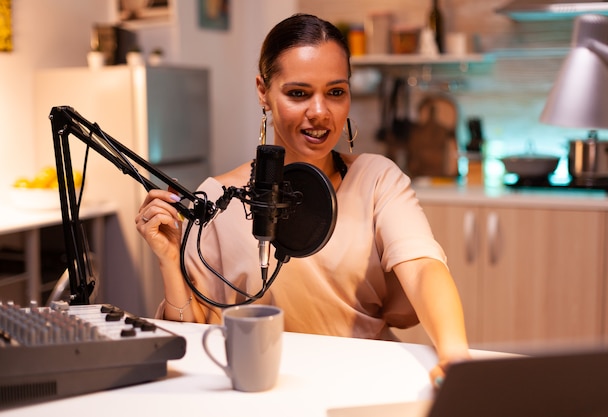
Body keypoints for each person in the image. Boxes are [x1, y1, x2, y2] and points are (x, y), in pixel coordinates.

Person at [136, 13, 469, 386]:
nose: (320, 112)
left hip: (364, 386)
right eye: (298, 93)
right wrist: (169, 260)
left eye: (335, 92)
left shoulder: (377, 179)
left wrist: (456, 354)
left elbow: (423, 267)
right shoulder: (218, 199)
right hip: (262, 392)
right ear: (263, 91)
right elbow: (193, 337)